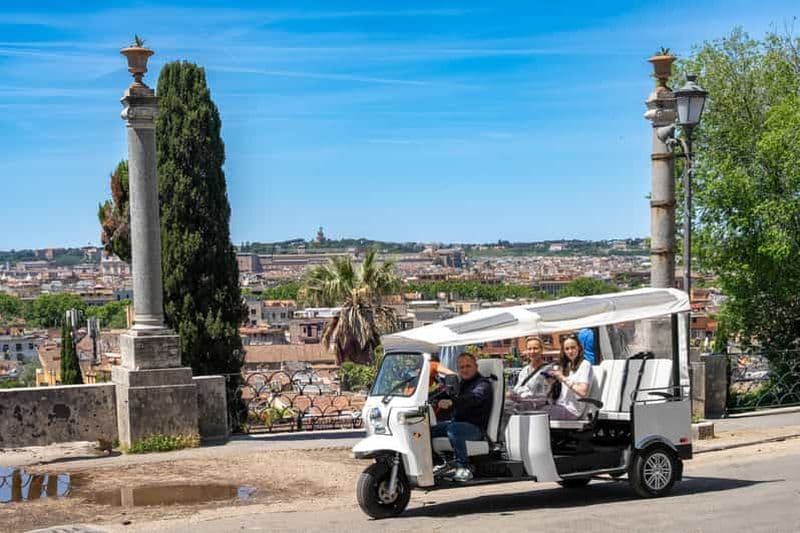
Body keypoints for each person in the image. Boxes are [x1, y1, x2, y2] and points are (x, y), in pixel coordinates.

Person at [430, 352, 493, 482]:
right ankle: (439, 461)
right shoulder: (460, 384)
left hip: (475, 428)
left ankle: (464, 467)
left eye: (468, 366)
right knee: (426, 430)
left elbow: (473, 398)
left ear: (476, 367)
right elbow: (441, 394)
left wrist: (453, 402)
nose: (464, 369)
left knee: (454, 429)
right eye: (461, 367)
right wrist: (427, 398)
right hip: (456, 424)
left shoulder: (483, 384)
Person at [546, 335, 594, 420]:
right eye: (567, 349)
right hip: (559, 406)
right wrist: (551, 382)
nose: (570, 351)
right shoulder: (567, 365)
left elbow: (583, 392)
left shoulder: (585, 364)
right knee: (531, 406)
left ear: (579, 348)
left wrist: (563, 378)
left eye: (573, 348)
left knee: (538, 411)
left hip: (572, 410)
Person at [509, 336, 553, 408]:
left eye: (535, 348)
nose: (532, 351)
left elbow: (546, 394)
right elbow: (517, 389)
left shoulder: (548, 370)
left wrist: (523, 398)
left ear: (542, 350)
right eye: (529, 349)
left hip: (539, 411)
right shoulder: (524, 370)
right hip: (522, 408)